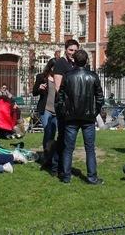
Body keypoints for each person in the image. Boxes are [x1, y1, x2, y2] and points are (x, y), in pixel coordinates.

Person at [57, 49, 104, 185]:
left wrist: (63, 111)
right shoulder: (93, 76)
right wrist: (95, 112)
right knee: (89, 148)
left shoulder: (68, 76)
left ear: (74, 60)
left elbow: (60, 97)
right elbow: (100, 98)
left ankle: (66, 176)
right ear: (87, 61)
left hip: (72, 117)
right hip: (87, 117)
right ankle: (92, 177)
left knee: (68, 148)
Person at [47, 39, 80, 176]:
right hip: (63, 105)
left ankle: (63, 166)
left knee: (68, 138)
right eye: (70, 50)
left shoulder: (76, 63)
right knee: (62, 137)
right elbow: (58, 87)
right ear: (65, 50)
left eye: (75, 50)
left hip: (74, 105)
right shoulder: (61, 63)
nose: (73, 53)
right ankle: (56, 167)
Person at [33, 58, 58, 151]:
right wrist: (39, 88)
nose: (55, 70)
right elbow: (34, 92)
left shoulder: (59, 78)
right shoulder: (41, 77)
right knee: (47, 131)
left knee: (53, 132)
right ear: (50, 67)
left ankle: (50, 151)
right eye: (54, 67)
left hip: (55, 109)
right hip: (45, 109)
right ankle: (46, 152)